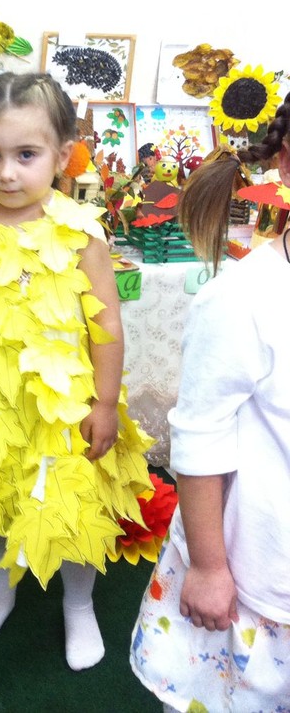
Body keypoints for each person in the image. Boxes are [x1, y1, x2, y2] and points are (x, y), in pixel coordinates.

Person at [0, 72, 154, 670]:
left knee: (69, 507)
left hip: (62, 406)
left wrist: (103, 404)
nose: (7, 173)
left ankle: (78, 604)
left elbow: (107, 325)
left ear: (62, 156)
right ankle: (1, 588)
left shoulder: (80, 235)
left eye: (26, 155)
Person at [130, 98, 290, 710]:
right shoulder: (244, 299)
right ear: (286, 164)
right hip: (255, 566)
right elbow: (201, 434)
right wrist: (207, 566)